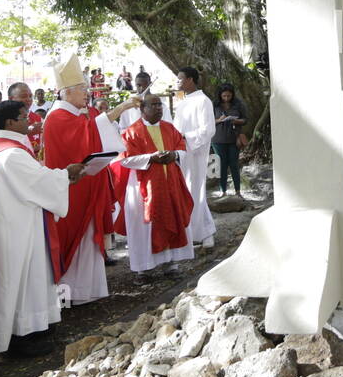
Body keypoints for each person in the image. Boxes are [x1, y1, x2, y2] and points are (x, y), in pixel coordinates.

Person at [0, 100, 85, 355]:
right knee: (27, 279)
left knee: (33, 278)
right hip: (19, 230)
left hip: (24, 223)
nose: (28, 121)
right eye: (23, 117)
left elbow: (37, 179)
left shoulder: (9, 149)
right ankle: (25, 336)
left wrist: (62, 177)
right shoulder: (12, 155)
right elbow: (39, 181)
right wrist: (66, 174)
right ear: (9, 123)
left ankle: (38, 328)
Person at [43, 55, 136, 303]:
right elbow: (88, 135)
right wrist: (121, 108)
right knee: (77, 236)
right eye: (82, 89)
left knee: (89, 237)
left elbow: (91, 131)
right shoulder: (58, 117)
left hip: (86, 185)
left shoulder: (74, 114)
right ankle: (74, 291)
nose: (87, 93)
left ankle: (88, 290)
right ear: (67, 92)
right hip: (72, 189)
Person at [120, 95, 194, 275]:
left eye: (159, 105)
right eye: (154, 105)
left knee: (173, 216)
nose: (159, 108)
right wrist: (150, 158)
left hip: (170, 184)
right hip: (143, 189)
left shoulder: (169, 128)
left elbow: (183, 149)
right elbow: (126, 160)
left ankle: (172, 263)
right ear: (142, 109)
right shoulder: (132, 131)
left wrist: (174, 155)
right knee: (145, 226)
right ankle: (144, 269)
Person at [174, 66, 217, 248]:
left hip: (196, 151)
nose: (177, 82)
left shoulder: (203, 101)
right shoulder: (182, 101)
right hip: (182, 153)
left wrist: (186, 138)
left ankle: (204, 233)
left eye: (180, 79)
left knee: (196, 191)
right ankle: (198, 232)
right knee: (187, 192)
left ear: (190, 79)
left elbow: (208, 129)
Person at [211, 82, 247, 196]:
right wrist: (220, 120)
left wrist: (236, 121)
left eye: (229, 96)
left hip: (234, 139)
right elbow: (207, 122)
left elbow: (245, 120)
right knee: (222, 165)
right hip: (218, 140)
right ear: (220, 95)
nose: (226, 98)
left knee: (234, 165)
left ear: (232, 95)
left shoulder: (238, 104)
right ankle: (223, 192)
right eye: (224, 96)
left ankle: (238, 191)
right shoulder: (214, 105)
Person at [7, 82, 44, 155]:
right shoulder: (2, 121)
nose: (28, 99)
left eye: (30, 96)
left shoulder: (39, 119)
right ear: (11, 98)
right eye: (24, 96)